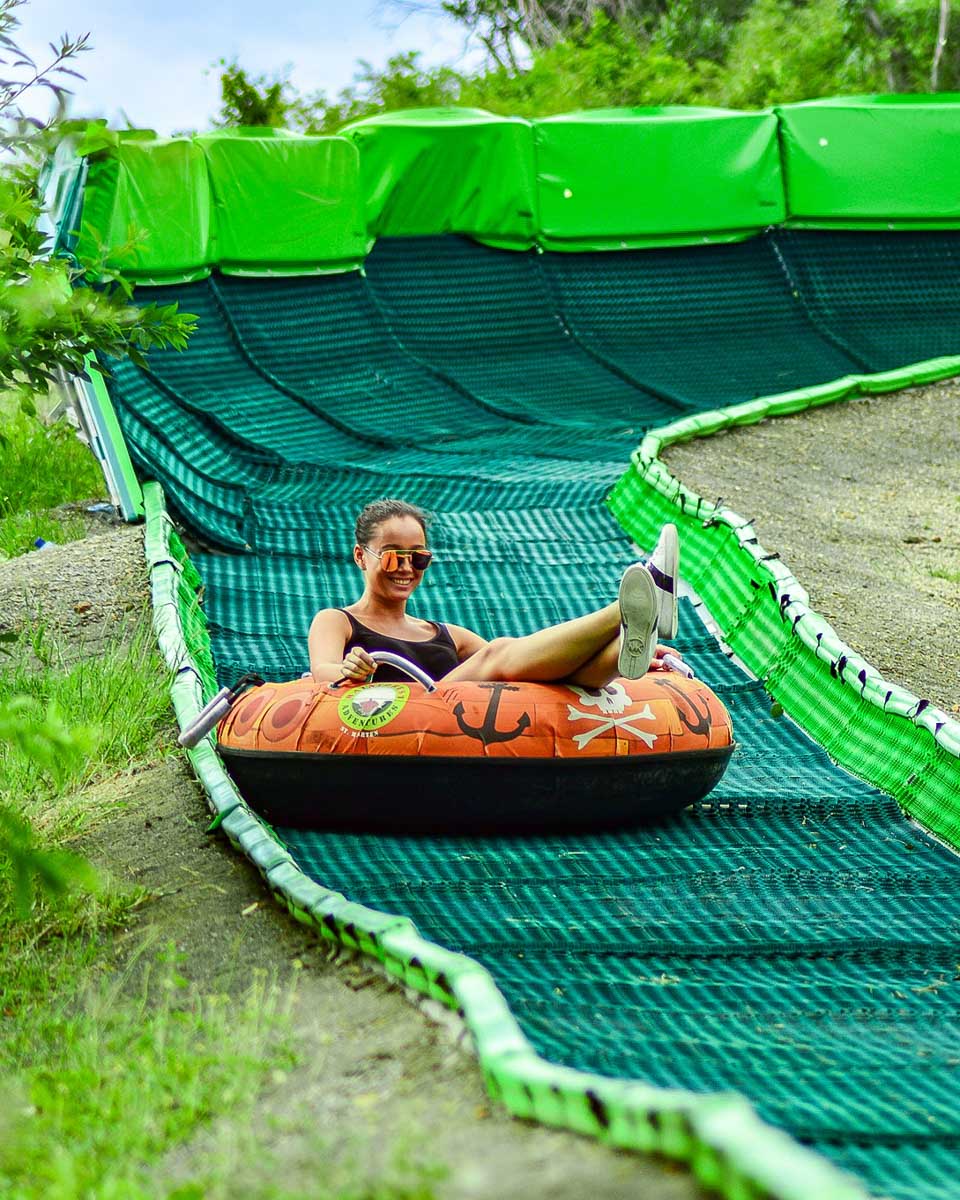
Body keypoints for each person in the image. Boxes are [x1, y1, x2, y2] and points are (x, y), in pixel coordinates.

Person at [308, 498, 682, 688]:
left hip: (459, 720)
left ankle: (630, 642)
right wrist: (348, 669)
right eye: (393, 558)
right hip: (408, 714)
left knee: (533, 671)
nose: (406, 568)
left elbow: (530, 665)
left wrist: (645, 659)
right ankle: (628, 607)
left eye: (419, 558)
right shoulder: (337, 621)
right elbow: (321, 670)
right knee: (497, 651)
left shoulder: (444, 634)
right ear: (361, 556)